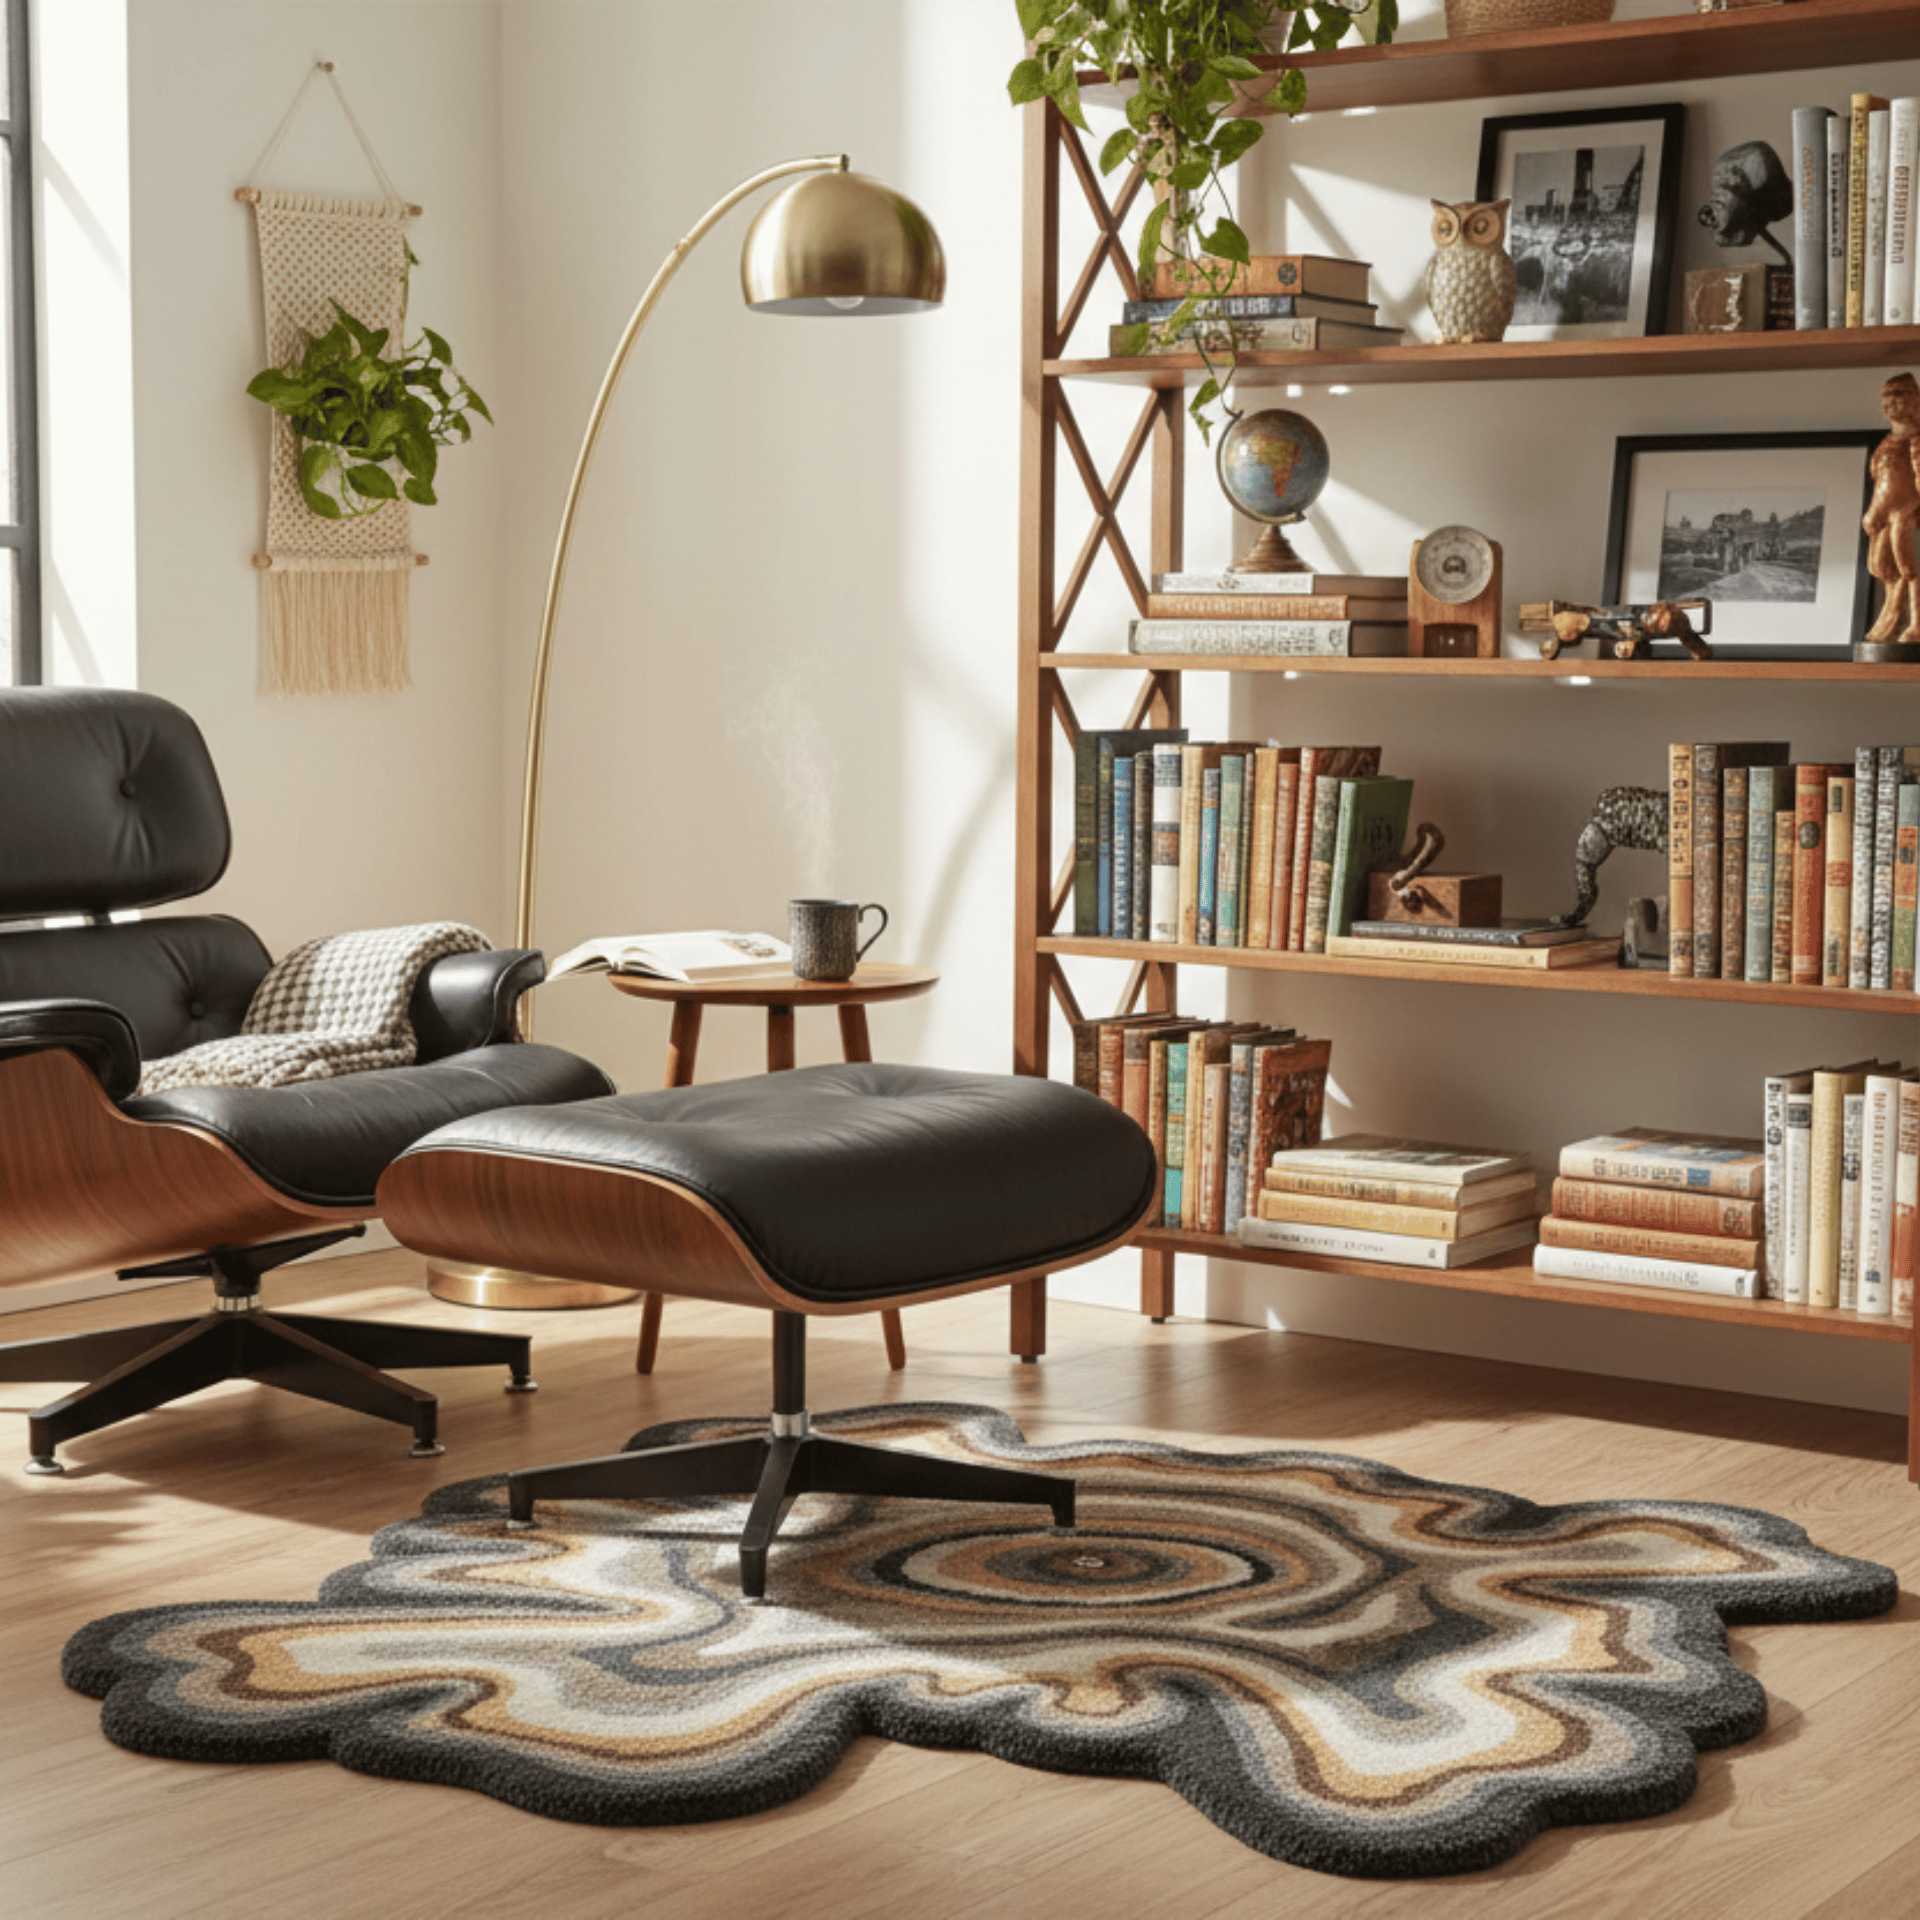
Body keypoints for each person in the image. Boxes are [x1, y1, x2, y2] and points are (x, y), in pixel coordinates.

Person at [1863, 371, 1920, 650]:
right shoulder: (1886, 443)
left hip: (1902, 516)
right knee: (1882, 569)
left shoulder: (1915, 442)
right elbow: (1879, 480)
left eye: (1899, 395)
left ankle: (1915, 624)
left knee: (1908, 569)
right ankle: (1891, 617)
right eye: (1886, 397)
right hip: (1881, 520)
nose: (1890, 403)